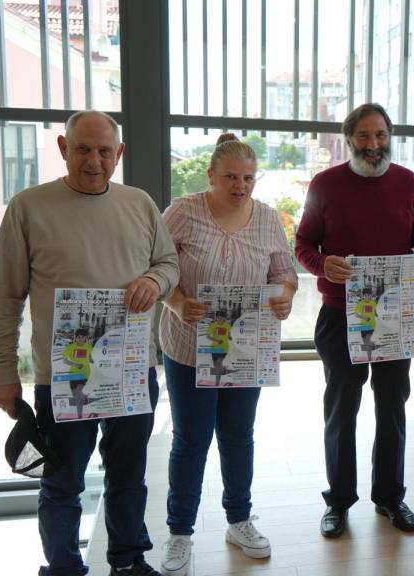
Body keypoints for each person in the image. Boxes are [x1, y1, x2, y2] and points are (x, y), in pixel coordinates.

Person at [0, 110, 180, 576]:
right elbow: (2, 296)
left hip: (130, 371)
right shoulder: (28, 207)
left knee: (129, 477)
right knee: (62, 482)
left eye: (105, 151)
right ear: (63, 148)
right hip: (62, 376)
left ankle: (128, 561)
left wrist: (155, 281)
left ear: (119, 153)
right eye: (83, 150)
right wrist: (3, 372)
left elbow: (169, 264)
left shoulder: (139, 204)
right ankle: (64, 568)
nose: (94, 161)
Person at [157, 133, 297, 576]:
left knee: (238, 436)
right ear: (211, 176)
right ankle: (180, 532)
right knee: (191, 439)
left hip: (245, 346)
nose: (241, 186)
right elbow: (155, 266)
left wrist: (285, 296)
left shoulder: (268, 218)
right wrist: (177, 302)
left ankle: (239, 520)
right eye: (232, 177)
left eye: (249, 178)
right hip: (188, 345)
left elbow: (284, 272)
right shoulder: (183, 211)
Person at [295, 103, 414, 538]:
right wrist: (323, 264)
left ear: (390, 137)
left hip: (394, 313)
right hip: (340, 313)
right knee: (342, 410)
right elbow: (302, 245)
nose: (373, 144)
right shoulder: (325, 184)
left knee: (392, 407)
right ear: (349, 139)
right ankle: (338, 501)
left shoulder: (408, 182)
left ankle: (390, 496)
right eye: (364, 136)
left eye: (381, 135)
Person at [62, 327, 94, 420]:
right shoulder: (71, 347)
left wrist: (92, 360)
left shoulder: (89, 347)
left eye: (82, 337)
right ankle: (84, 397)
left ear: (86, 338)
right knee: (74, 394)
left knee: (77, 394)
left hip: (84, 373)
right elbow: (64, 360)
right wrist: (75, 364)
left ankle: (79, 416)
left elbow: (89, 357)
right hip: (73, 373)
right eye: (78, 337)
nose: (80, 339)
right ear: (76, 337)